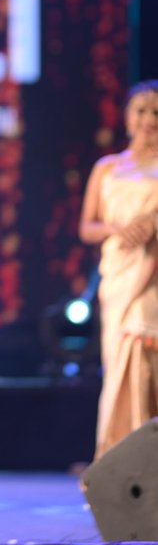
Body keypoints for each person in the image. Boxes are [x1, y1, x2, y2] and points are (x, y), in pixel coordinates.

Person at [80, 79, 158, 458]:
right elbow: (87, 227)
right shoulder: (107, 168)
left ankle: (145, 460)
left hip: (152, 274)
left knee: (143, 352)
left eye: (156, 112)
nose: (148, 119)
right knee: (117, 364)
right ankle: (117, 460)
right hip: (118, 273)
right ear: (127, 117)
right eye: (141, 110)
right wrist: (117, 229)